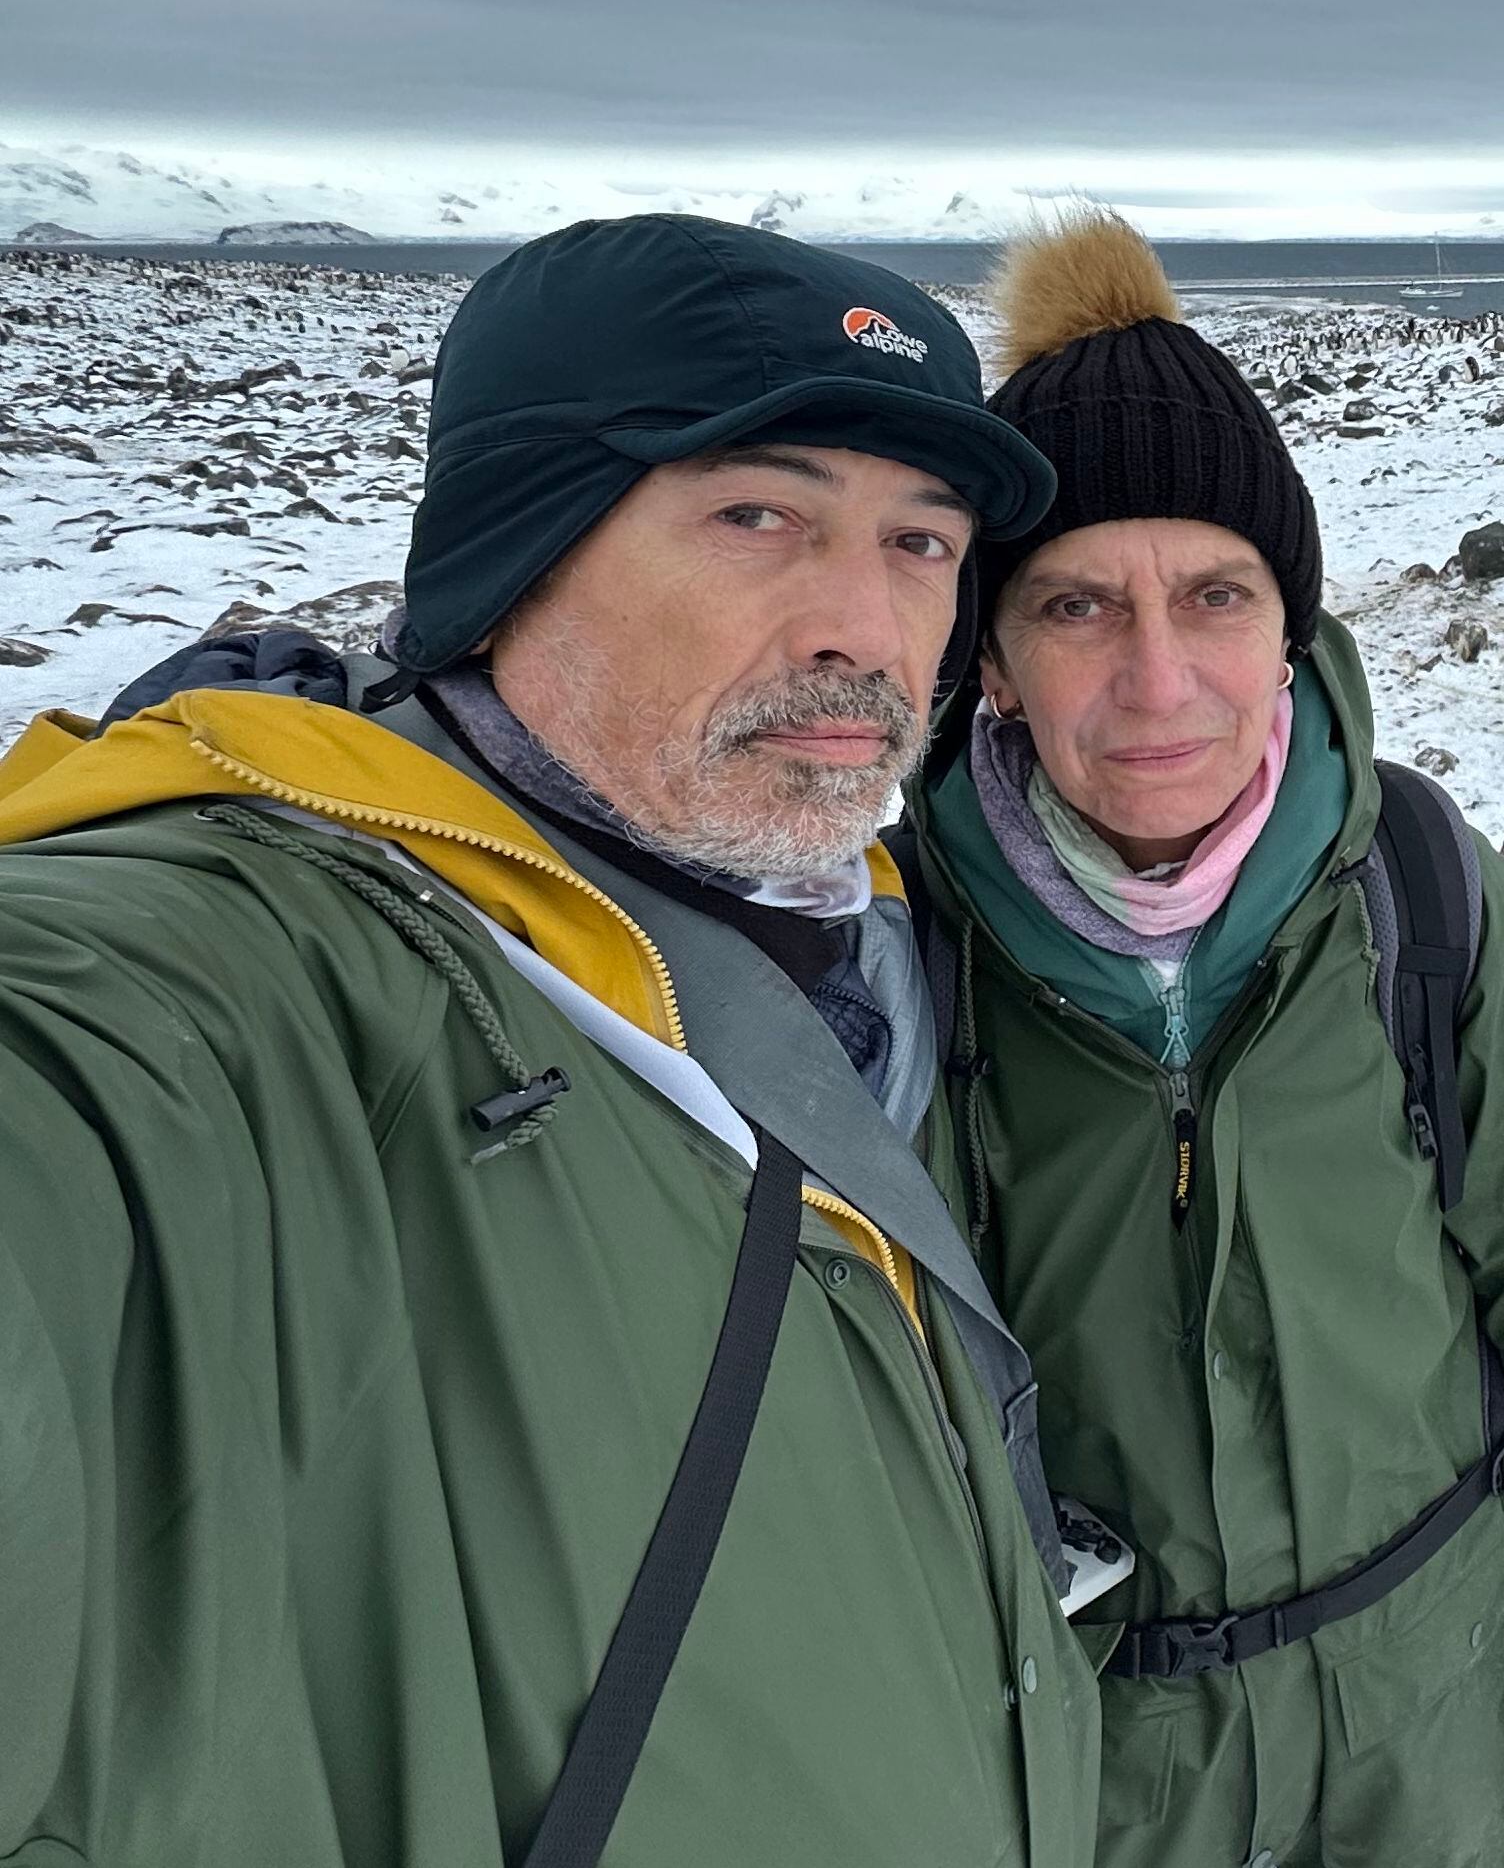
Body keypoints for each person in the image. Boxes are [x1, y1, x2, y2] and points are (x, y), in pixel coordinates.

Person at [0, 215, 1103, 1867]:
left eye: (922, 544)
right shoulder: (250, 975)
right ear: (520, 544)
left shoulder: (856, 933)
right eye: (758, 515)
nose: (866, 632)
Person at [912, 211, 1504, 1865]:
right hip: (1111, 1770)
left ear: (1289, 627)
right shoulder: (906, 951)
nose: (1158, 679)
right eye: (1075, 606)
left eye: (1215, 594)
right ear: (991, 650)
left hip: (1444, 1726)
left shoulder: (1427, 903)